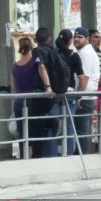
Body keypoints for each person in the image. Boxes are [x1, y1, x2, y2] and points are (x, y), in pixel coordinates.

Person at [44, 29, 87, 157]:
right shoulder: (74, 56)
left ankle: (51, 155)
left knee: (53, 125)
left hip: (55, 93)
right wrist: (79, 95)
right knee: (68, 125)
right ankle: (67, 155)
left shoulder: (52, 53)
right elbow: (82, 78)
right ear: (70, 41)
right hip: (69, 94)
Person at [29, 27, 58, 158]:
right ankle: (51, 123)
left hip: (43, 91)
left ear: (36, 39)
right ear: (49, 39)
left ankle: (37, 154)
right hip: (53, 92)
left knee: (35, 121)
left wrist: (47, 86)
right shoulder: (54, 50)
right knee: (39, 120)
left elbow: (41, 67)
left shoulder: (37, 51)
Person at [73, 27, 101, 154]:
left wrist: (78, 96)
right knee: (84, 130)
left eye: (80, 37)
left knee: (81, 131)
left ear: (87, 39)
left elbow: (83, 78)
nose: (76, 39)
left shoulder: (85, 53)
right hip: (86, 97)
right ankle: (83, 155)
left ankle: (83, 157)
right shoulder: (84, 52)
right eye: (75, 37)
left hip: (84, 98)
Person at [10, 37, 35, 158]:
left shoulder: (15, 65)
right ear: (31, 47)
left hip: (19, 101)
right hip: (32, 100)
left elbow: (13, 86)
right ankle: (32, 155)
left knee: (21, 130)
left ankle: (23, 155)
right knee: (33, 129)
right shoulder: (35, 62)